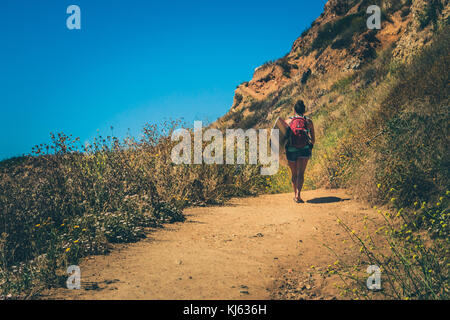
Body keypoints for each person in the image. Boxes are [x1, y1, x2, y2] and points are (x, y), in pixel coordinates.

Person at [284, 99, 315, 203]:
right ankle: (298, 195)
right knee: (301, 173)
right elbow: (313, 139)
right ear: (304, 110)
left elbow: (282, 138)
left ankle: (295, 195)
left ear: (294, 110)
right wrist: (309, 146)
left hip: (291, 150)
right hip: (304, 150)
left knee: (294, 174)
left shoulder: (288, 121)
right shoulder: (308, 121)